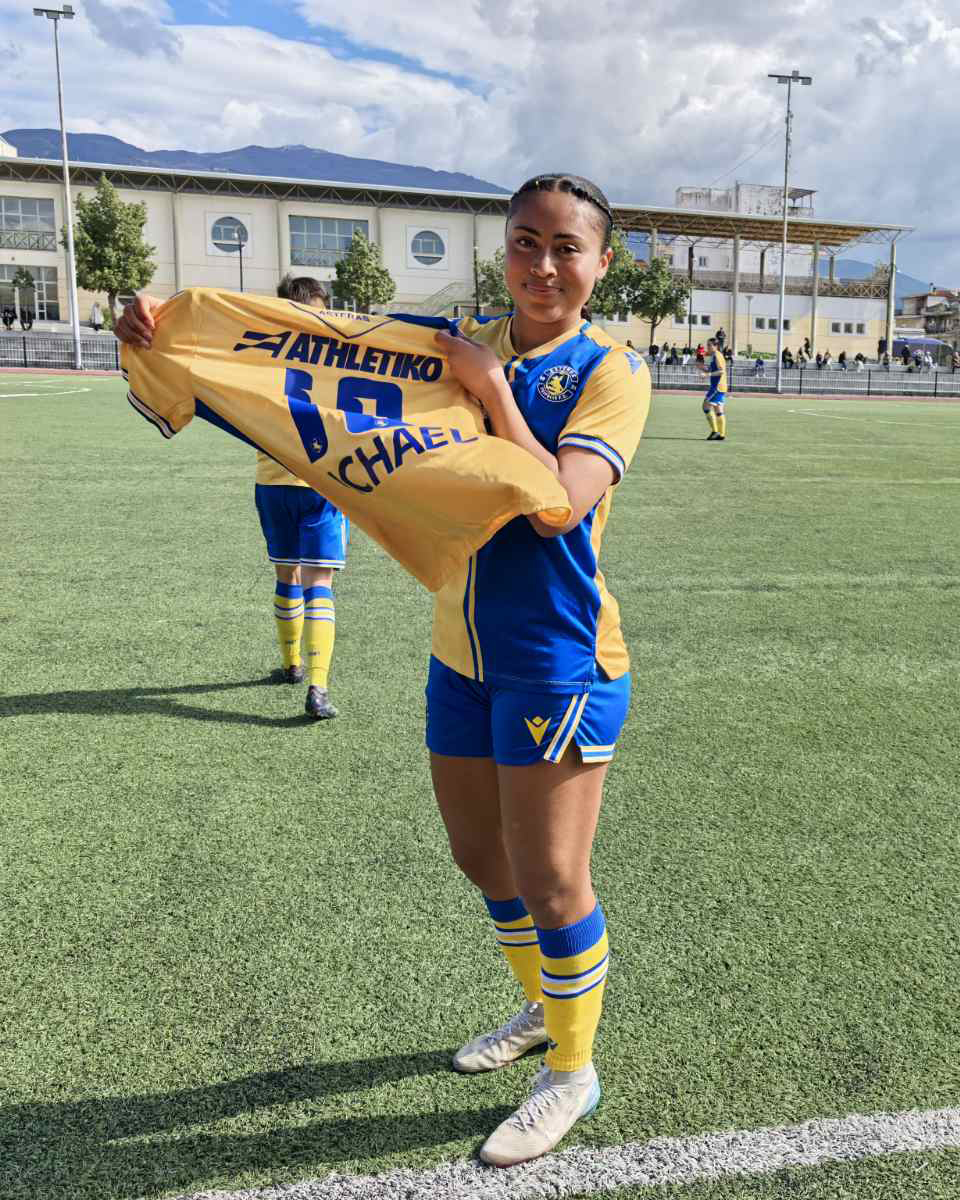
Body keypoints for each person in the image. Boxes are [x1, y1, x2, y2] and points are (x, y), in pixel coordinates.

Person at [423, 173, 649, 1166]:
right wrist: (177, 335)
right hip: (459, 653)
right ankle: (541, 1006)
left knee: (554, 882)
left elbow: (557, 502)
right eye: (526, 242)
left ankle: (571, 1071)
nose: (544, 265)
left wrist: (491, 390)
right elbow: (320, 370)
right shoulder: (460, 346)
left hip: (559, 662)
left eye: (566, 247)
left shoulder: (611, 370)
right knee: (483, 860)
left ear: (602, 262)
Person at [253, 273, 345, 719]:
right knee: (319, 583)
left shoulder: (260, 357)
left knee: (286, 573)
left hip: (272, 483)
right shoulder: (337, 360)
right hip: (321, 485)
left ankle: (291, 664)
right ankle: (318, 686)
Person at [697, 336, 727, 440]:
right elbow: (712, 369)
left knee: (705, 406)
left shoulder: (717, 355)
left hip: (717, 387)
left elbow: (721, 371)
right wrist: (702, 368)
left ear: (716, 346)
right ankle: (721, 434)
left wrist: (707, 374)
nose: (708, 347)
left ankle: (715, 432)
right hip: (720, 386)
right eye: (707, 345)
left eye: (709, 345)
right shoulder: (715, 356)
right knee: (718, 410)